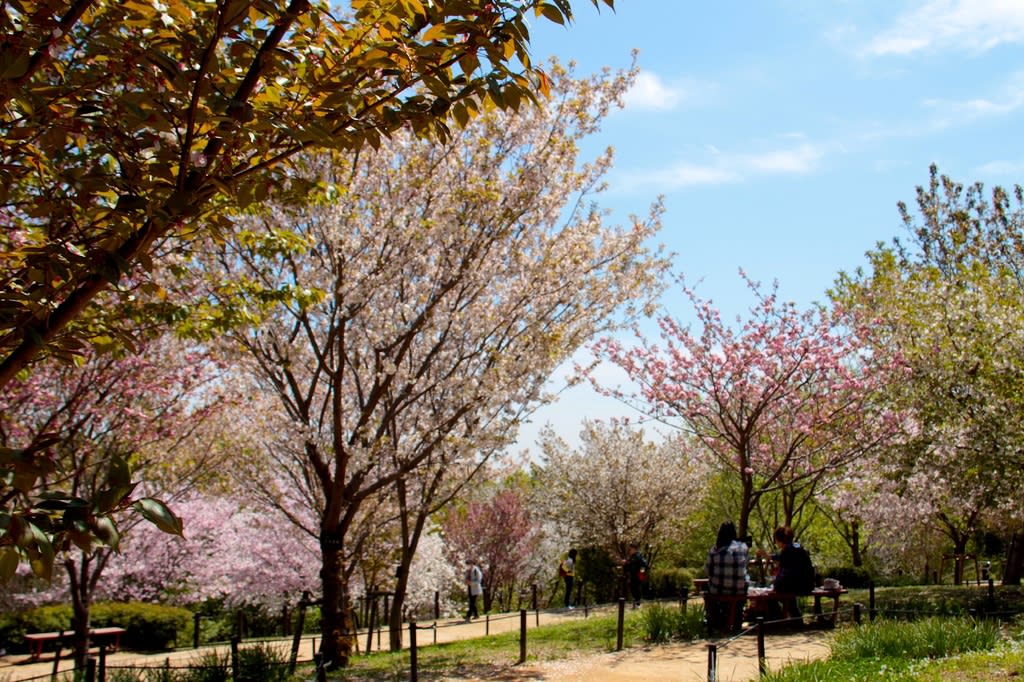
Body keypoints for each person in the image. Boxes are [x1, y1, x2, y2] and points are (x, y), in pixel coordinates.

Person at [759, 526, 814, 621]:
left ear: (779, 540)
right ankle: (796, 619)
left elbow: (785, 575)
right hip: (808, 584)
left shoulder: (787, 551)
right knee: (788, 595)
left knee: (771, 597)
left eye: (775, 540)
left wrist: (775, 587)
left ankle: (778, 620)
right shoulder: (797, 547)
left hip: (797, 586)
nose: (775, 542)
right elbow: (781, 560)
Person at [704, 521, 749, 631]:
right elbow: (745, 567)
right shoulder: (743, 547)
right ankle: (737, 621)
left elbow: (707, 571)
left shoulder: (715, 550)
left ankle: (716, 623)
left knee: (708, 594)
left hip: (718, 590)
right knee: (742, 588)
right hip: (739, 590)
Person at [622, 543, 648, 608]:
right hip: (633, 576)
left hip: (637, 576)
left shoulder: (638, 556)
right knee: (633, 589)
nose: (629, 550)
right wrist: (625, 563)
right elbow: (629, 566)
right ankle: (635, 603)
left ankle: (638, 604)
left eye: (630, 549)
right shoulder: (632, 557)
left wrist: (641, 574)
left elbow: (644, 565)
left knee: (636, 589)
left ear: (634, 549)